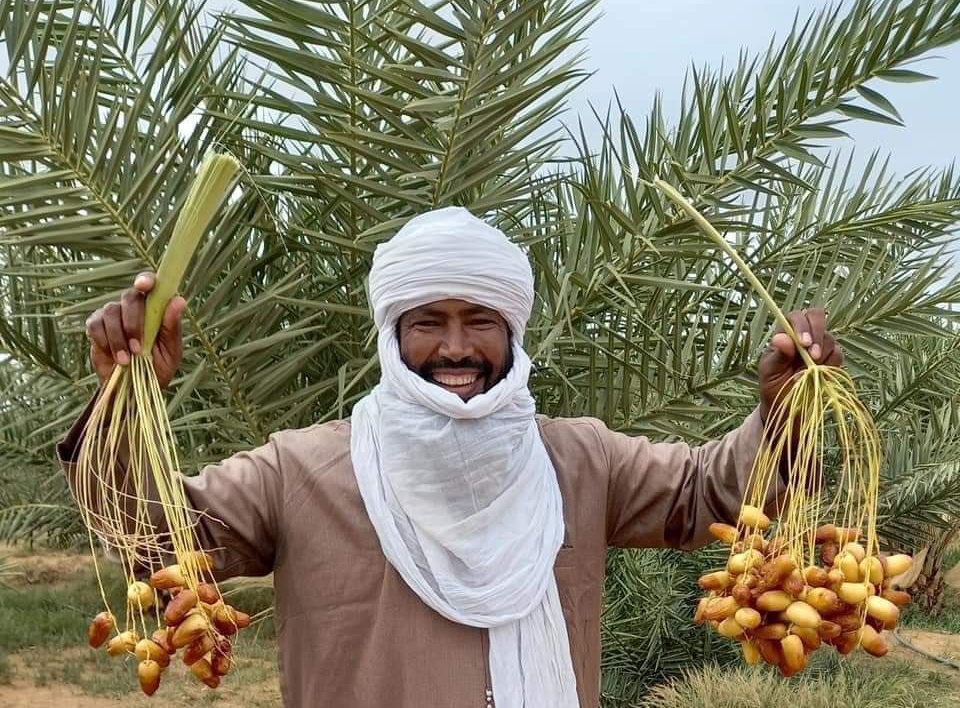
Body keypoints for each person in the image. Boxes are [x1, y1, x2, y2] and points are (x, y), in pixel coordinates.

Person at [58, 207, 842, 708]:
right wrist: (127, 401)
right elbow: (157, 533)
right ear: (393, 334)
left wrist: (785, 408)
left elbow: (716, 493)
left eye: (482, 321)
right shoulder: (301, 471)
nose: (458, 348)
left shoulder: (578, 461)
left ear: (514, 333)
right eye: (429, 321)